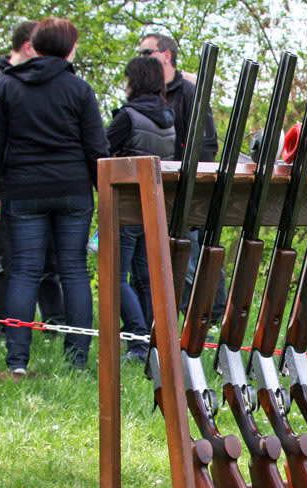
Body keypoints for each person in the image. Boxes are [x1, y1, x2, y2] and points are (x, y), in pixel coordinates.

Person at [0, 18, 109, 376]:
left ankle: (17, 362)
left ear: (35, 46)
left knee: (23, 271)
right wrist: (105, 194)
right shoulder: (79, 90)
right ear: (69, 49)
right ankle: (77, 361)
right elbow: (97, 148)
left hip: (22, 190)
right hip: (72, 190)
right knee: (74, 271)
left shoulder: (7, 86)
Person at [0, 20, 65, 338]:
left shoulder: (49, 81)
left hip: (45, 179)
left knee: (49, 258)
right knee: (5, 256)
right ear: (29, 46)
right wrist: (9, 129)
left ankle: (55, 323)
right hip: (8, 178)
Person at [137, 33, 223, 321]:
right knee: (155, 261)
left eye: (147, 52)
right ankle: (164, 320)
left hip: (187, 188)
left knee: (191, 259)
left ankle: (204, 319)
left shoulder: (189, 92)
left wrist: (195, 187)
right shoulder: (146, 93)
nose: (141, 58)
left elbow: (207, 144)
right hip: (154, 186)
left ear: (166, 56)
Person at [106, 56, 176, 362]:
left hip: (125, 205)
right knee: (146, 278)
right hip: (154, 206)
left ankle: (136, 341)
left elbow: (101, 149)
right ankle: (151, 343)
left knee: (116, 278)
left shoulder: (127, 117)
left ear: (134, 81)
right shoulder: (169, 118)